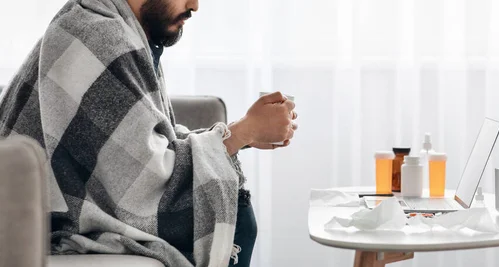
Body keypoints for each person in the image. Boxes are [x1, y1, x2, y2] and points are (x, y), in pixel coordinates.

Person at [0, 0, 298, 266]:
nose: (195, 6)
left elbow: (146, 146)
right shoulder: (98, 34)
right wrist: (242, 133)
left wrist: (240, 133)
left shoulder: (116, 28)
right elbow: (144, 182)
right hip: (47, 228)